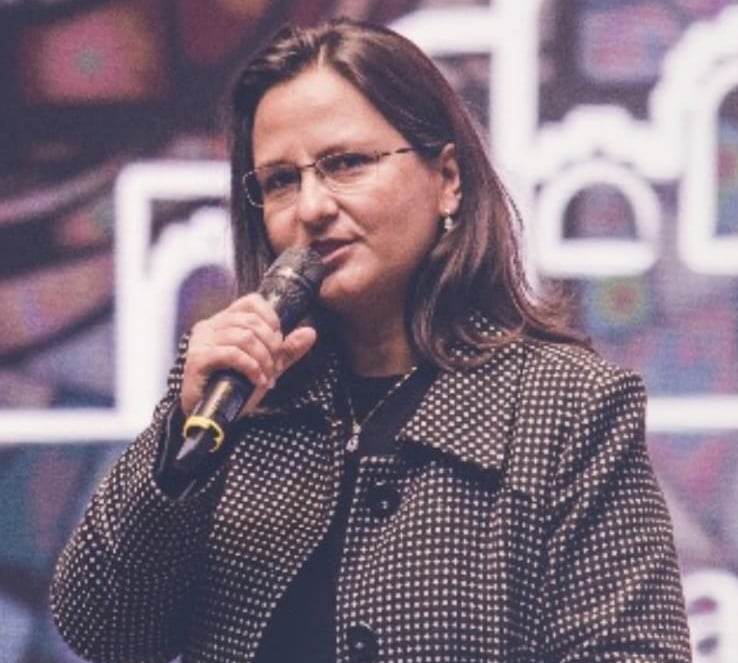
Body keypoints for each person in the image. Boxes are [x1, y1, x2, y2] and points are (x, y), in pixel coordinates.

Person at [51, 17, 692, 663]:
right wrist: (179, 441)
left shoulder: (567, 407)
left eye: (346, 164)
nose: (311, 207)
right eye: (280, 181)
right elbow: (105, 632)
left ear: (448, 179)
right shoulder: (236, 398)